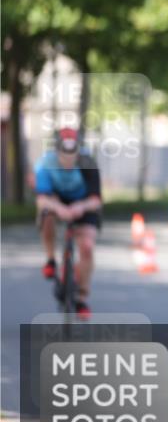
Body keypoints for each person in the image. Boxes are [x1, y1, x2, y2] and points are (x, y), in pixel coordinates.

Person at [34, 127, 102, 320]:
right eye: (64, 155)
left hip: (83, 203)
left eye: (73, 155)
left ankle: (81, 297)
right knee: (46, 216)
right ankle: (50, 259)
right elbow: (42, 198)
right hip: (56, 201)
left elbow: (96, 200)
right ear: (56, 151)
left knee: (87, 246)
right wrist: (58, 208)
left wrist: (81, 207)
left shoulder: (88, 163)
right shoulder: (45, 164)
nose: (69, 160)